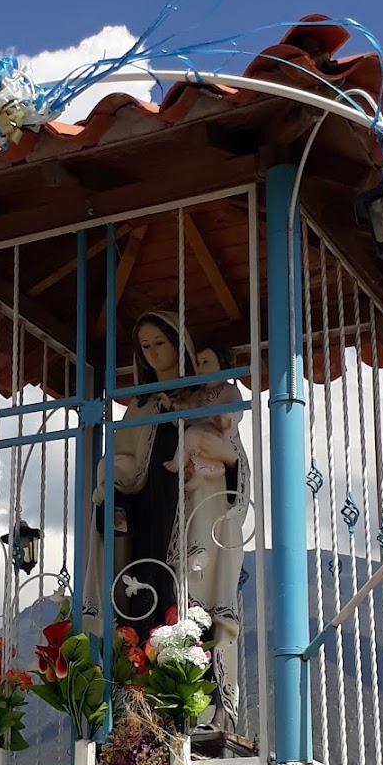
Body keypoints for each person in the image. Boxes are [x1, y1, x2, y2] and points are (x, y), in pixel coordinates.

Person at [82, 313, 250, 733]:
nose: (154, 353)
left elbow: (234, 461)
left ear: (180, 344)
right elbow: (122, 457)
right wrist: (112, 479)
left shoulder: (205, 396)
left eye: (161, 342)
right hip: (146, 522)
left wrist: (218, 459)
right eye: (146, 346)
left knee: (194, 606)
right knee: (145, 603)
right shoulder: (139, 405)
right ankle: (140, 713)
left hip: (194, 517)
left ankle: (204, 710)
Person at [165, 344, 242, 480]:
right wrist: (173, 407)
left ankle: (186, 463)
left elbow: (236, 411)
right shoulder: (198, 395)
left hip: (217, 433)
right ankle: (183, 462)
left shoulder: (229, 390)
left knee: (192, 434)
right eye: (198, 364)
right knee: (189, 436)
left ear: (221, 363)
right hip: (198, 433)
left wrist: (227, 417)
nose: (200, 369)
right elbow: (187, 409)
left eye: (205, 362)